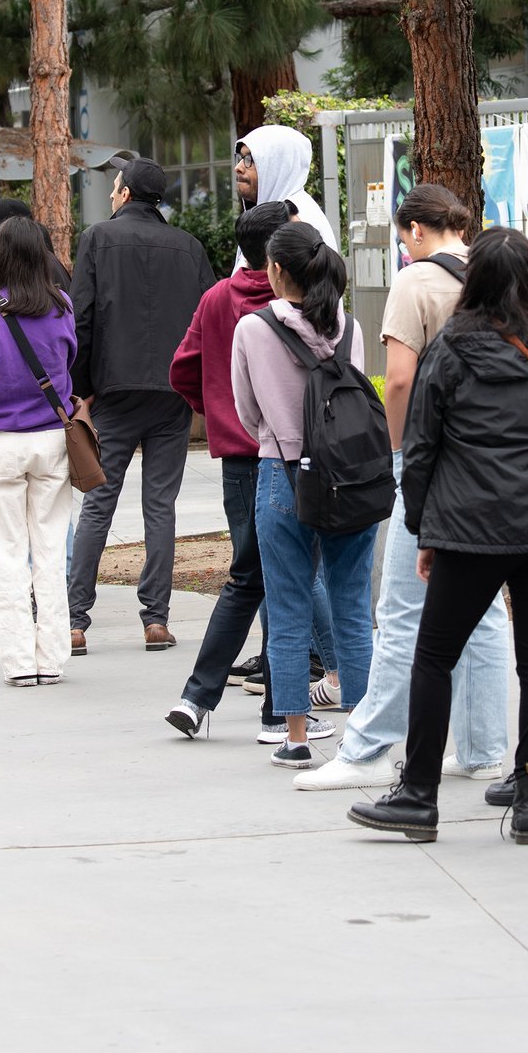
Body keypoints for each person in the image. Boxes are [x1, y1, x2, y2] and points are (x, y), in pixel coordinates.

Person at [348, 227, 528, 843]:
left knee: (435, 655)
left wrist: (423, 529)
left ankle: (419, 795)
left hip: (469, 532)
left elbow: (420, 448)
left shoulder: (451, 348)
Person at [296, 183, 513, 793]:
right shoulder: (495, 271)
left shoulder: (416, 282)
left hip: (428, 458)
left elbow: (398, 381)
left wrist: (396, 453)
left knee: (398, 606)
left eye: (401, 238)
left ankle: (366, 747)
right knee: (486, 609)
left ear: (416, 231)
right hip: (491, 460)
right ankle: (480, 747)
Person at [229, 221, 374, 768]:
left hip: (282, 474)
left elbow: (247, 412)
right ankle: (363, 736)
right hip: (347, 479)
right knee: (353, 608)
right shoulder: (350, 327)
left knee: (288, 610)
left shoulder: (252, 330)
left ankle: (294, 738)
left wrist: (278, 435)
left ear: (276, 270)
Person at [65, 158, 215, 656]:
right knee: (160, 505)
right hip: (172, 393)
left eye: (114, 187)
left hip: (113, 389)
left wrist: (81, 385)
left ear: (127, 194)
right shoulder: (190, 247)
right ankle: (156, 618)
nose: (111, 194)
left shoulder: (96, 239)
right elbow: (206, 321)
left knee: (98, 503)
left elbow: (81, 318)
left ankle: (75, 619)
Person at [164, 201, 294, 736]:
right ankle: (277, 713)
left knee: (248, 576)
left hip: (240, 459)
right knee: (284, 580)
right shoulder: (298, 300)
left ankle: (197, 699)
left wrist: (217, 411)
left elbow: (183, 369)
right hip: (291, 456)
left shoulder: (218, 298)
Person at [0, 216, 80, 686]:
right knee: (49, 550)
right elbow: (68, 364)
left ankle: (20, 662)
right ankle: (52, 658)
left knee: (6, 554)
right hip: (50, 439)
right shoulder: (61, 306)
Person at [233, 125, 337, 258]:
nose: (238, 167)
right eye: (241, 158)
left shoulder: (293, 220)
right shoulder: (280, 213)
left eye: (249, 159)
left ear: (278, 166)